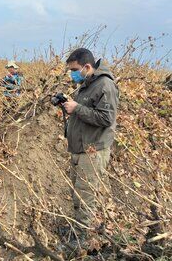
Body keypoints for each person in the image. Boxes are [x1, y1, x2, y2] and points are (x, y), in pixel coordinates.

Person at [63, 48, 119, 242]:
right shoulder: (86, 83)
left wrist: (77, 108)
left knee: (86, 195)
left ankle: (81, 240)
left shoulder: (105, 85)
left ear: (87, 66)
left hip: (92, 149)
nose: (72, 74)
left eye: (74, 69)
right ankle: (77, 229)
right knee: (77, 192)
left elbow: (106, 118)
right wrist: (73, 107)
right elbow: (86, 111)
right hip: (80, 147)